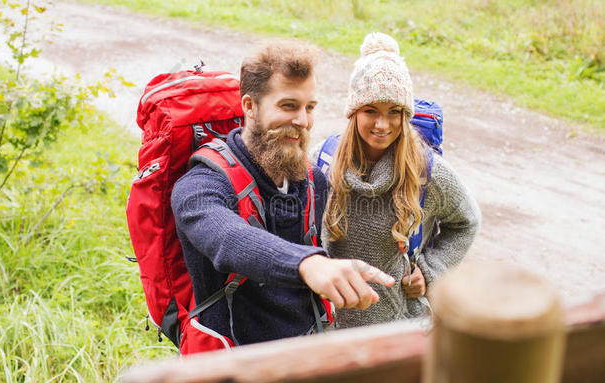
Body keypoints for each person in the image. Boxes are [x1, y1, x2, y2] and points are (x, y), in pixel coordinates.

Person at [171, 40, 395, 346]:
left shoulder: (312, 178)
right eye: (288, 105)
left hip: (305, 352)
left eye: (309, 108)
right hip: (232, 366)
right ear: (249, 106)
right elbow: (228, 239)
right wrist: (309, 264)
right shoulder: (201, 184)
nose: (302, 121)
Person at [321, 32, 481, 328]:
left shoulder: (428, 172)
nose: (382, 124)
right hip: (328, 327)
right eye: (371, 110)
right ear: (353, 111)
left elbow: (467, 221)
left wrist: (431, 270)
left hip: (397, 327)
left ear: (405, 115)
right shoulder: (324, 160)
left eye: (394, 112)